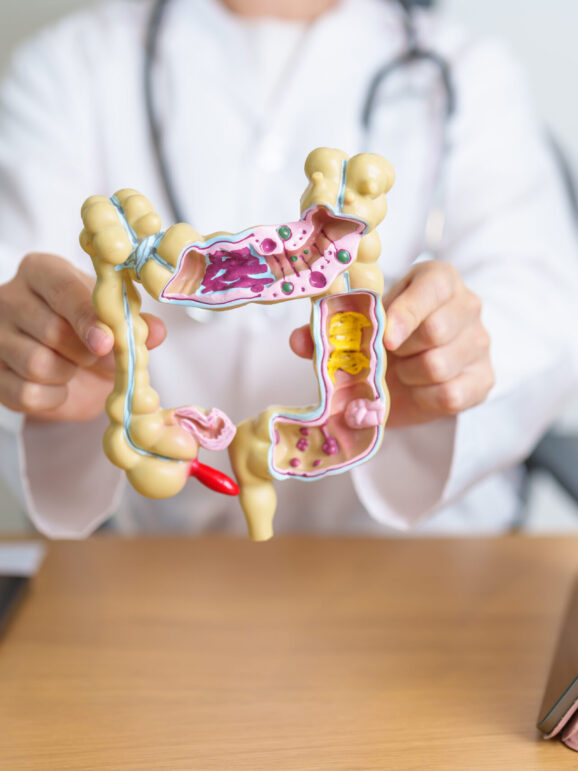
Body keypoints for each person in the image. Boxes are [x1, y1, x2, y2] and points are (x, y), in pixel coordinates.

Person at [0, 0, 576, 538]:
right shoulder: (67, 70)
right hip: (155, 562)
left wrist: (457, 355)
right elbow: (17, 304)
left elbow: (542, 312)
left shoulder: (473, 73)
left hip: (428, 565)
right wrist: (35, 360)